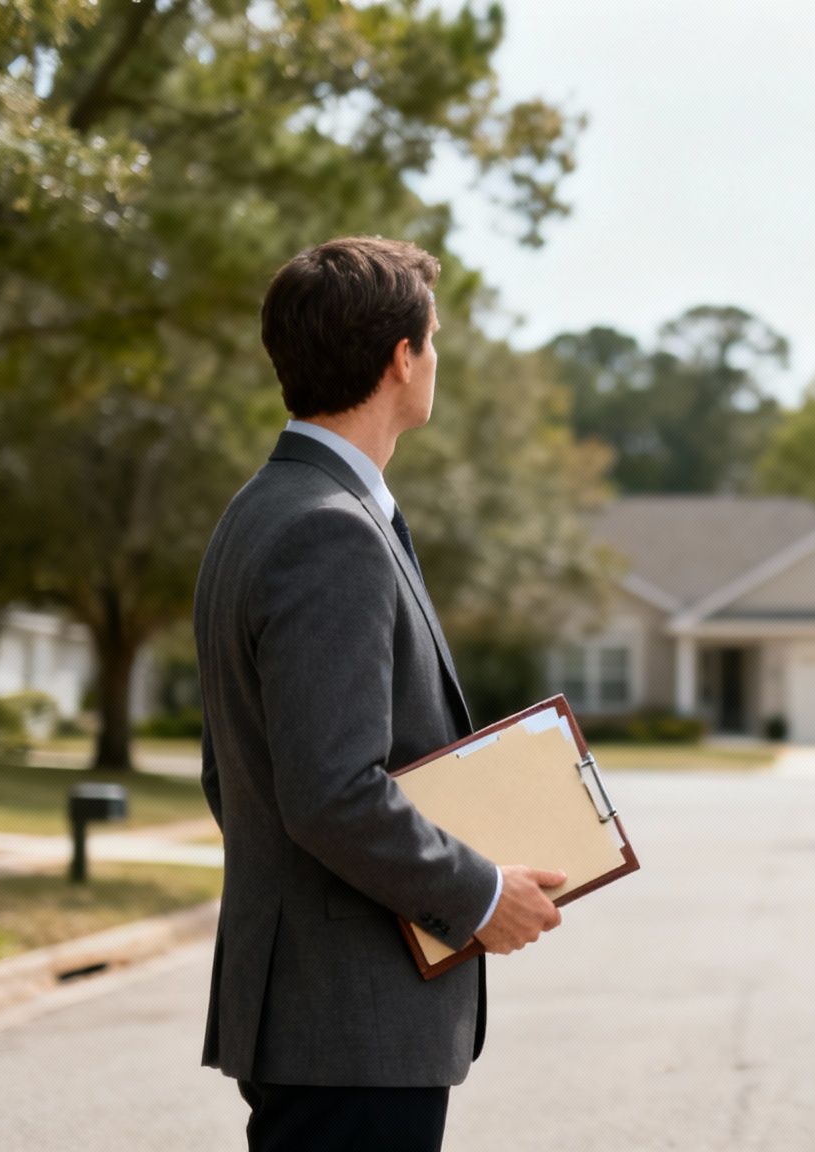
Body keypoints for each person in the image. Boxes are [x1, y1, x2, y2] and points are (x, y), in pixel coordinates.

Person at [194, 235, 566, 1151]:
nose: (436, 358)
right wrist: (478, 895)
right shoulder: (331, 532)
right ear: (401, 359)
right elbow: (329, 792)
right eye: (432, 339)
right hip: (348, 1026)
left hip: (319, 1019)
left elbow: (229, 773)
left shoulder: (259, 511)